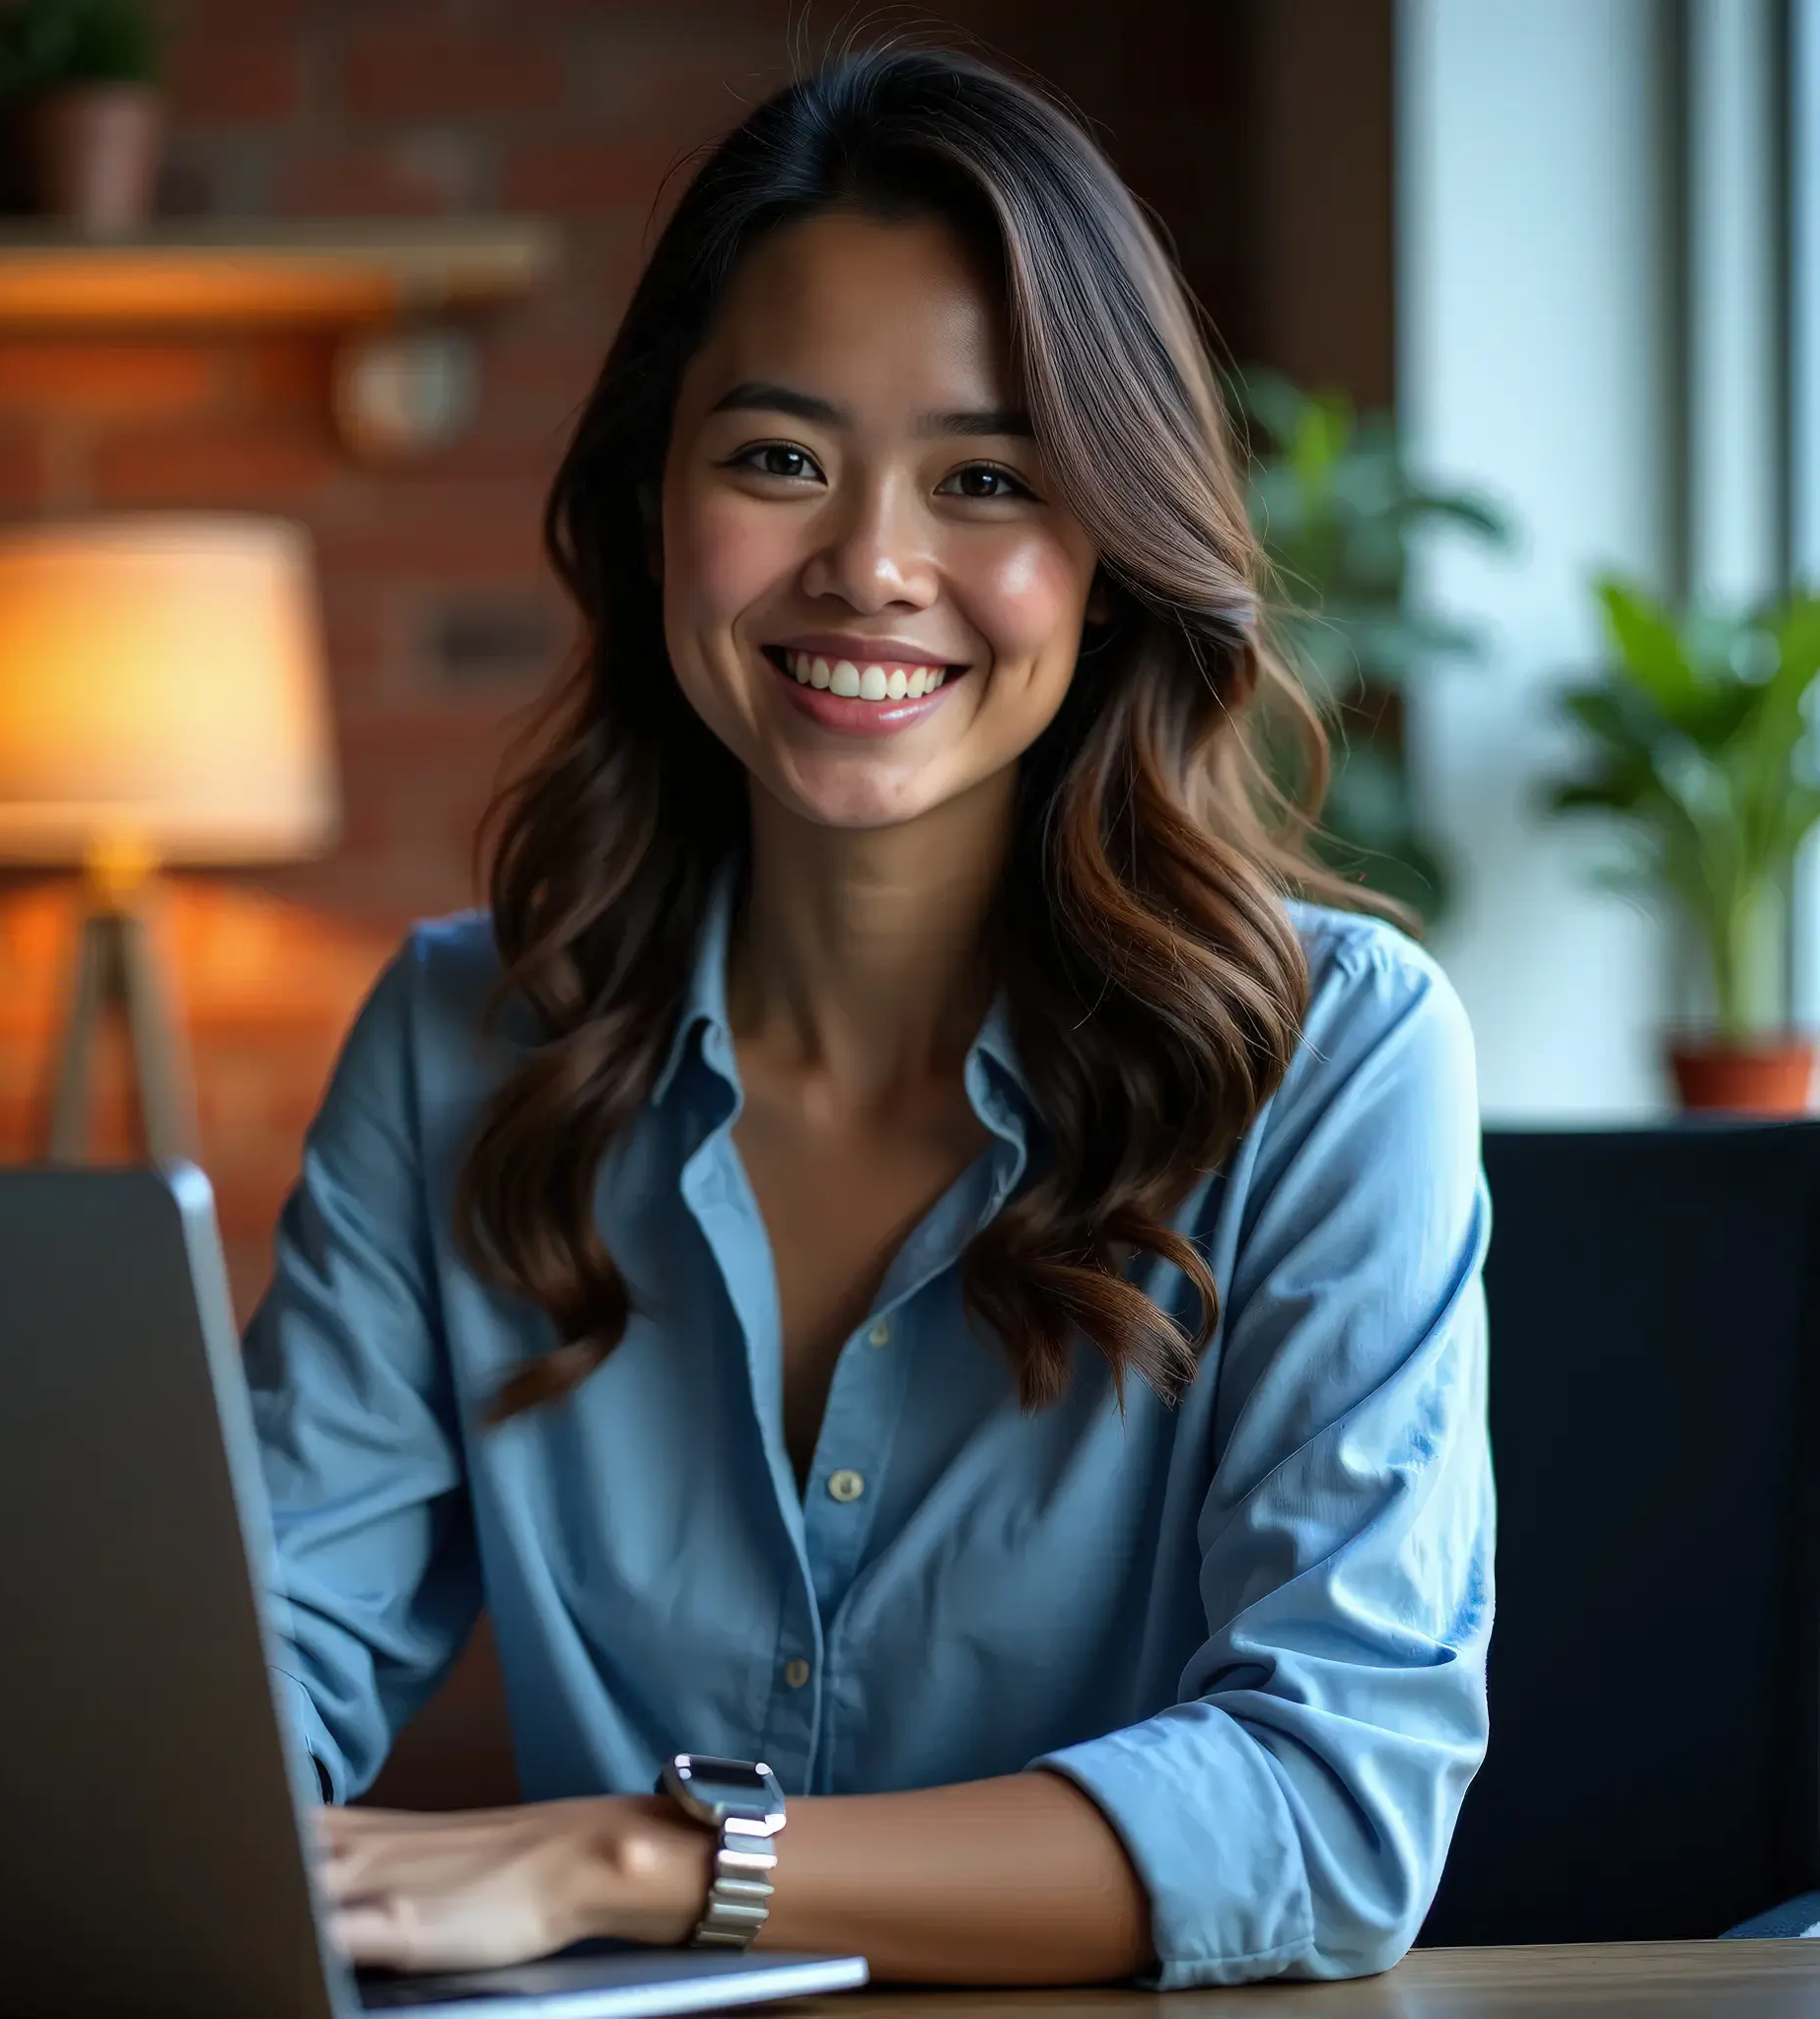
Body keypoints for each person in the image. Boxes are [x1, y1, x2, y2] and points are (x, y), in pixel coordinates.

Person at [247, 44, 1494, 1995]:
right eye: (776, 457)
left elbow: (1332, 1807)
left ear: (1106, 553)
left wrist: (640, 1859)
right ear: (655, 497)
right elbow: (260, 1673)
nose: (871, 566)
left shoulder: (1335, 1057)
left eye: (985, 479)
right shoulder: (453, 1043)